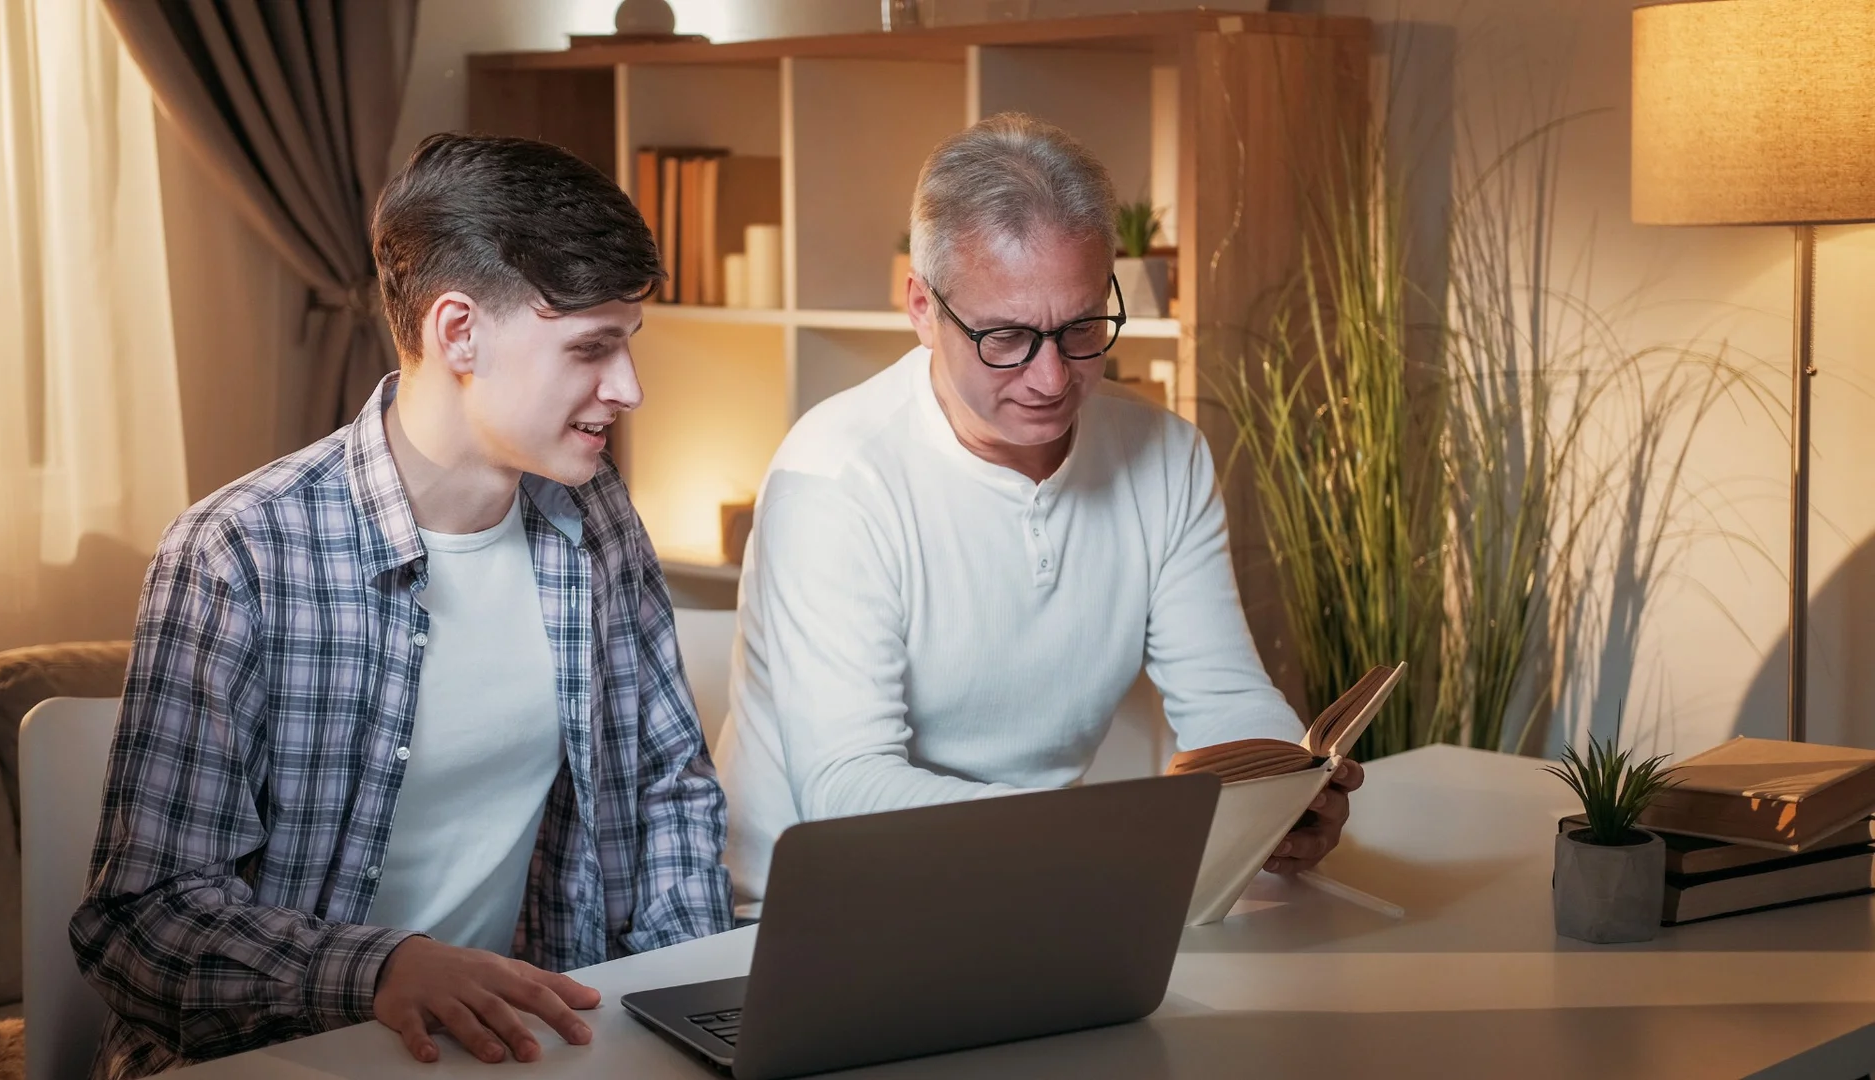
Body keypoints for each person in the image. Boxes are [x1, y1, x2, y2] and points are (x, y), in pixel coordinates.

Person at [71, 133, 731, 1078]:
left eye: (628, 344)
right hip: (276, 1057)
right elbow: (143, 919)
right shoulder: (241, 554)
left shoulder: (597, 519)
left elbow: (669, 792)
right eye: (591, 348)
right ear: (459, 332)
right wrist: (379, 968)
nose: (628, 388)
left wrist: (688, 1015)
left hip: (524, 1050)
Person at [715, 114, 1364, 917]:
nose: (1052, 377)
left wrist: (1284, 790)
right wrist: (1095, 838)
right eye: (1007, 337)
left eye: (1082, 327)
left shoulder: (1167, 456)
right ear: (922, 306)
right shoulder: (837, 477)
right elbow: (848, 790)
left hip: (1048, 888)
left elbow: (1224, 696)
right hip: (817, 911)